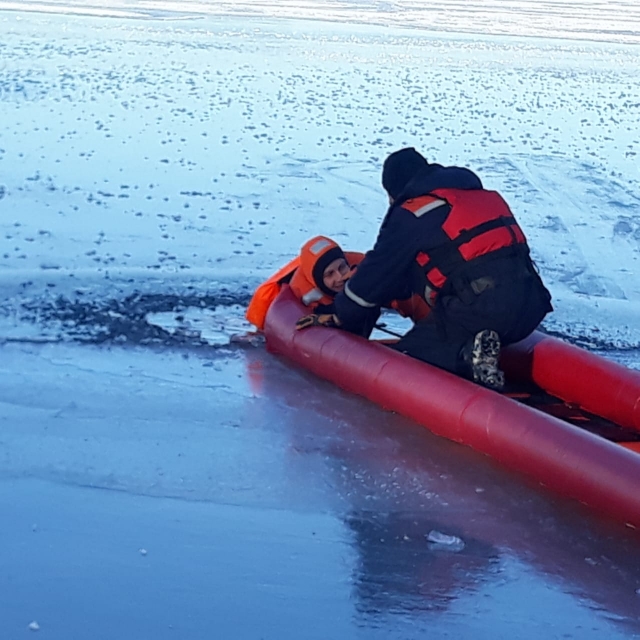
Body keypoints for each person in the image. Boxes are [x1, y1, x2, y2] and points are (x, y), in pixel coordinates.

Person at [298, 147, 553, 391]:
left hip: (481, 313)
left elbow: (377, 273)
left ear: (394, 191)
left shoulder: (414, 211)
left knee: (406, 362)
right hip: (530, 308)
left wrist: (341, 313)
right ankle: (480, 350)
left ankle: (467, 358)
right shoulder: (478, 196)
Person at [245, 235, 365, 331]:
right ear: (318, 279)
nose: (340, 277)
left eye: (342, 268)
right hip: (274, 308)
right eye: (330, 274)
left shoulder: (360, 265)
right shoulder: (305, 295)